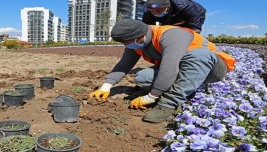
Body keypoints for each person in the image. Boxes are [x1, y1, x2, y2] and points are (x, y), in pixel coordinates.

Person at [89, 19, 235, 123]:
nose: (128, 46)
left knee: (198, 55)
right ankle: (187, 88)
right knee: (142, 77)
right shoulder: (137, 43)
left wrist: (151, 97)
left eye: (128, 42)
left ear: (141, 35)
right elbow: (123, 65)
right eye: (124, 44)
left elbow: (169, 67)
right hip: (182, 68)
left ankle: (168, 104)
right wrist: (106, 86)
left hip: (212, 69)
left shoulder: (171, 35)